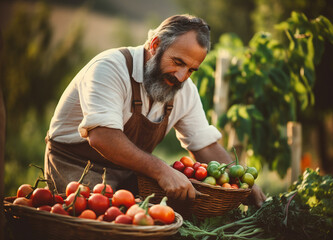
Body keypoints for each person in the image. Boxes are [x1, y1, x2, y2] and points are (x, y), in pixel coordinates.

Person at [44, 14, 266, 207]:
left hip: (128, 174)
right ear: (155, 44)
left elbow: (205, 145)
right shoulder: (109, 68)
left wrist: (241, 181)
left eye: (191, 70)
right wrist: (161, 170)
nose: (181, 76)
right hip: (75, 169)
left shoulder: (184, 90)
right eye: (177, 62)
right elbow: (102, 136)